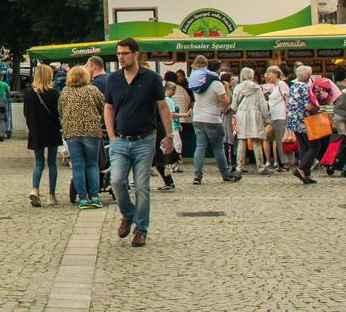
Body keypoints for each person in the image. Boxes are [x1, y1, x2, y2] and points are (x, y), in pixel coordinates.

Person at [103, 37, 175, 246]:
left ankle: (141, 229)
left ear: (136, 55)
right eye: (118, 54)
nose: (121, 57)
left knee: (142, 186)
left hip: (145, 139)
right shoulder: (113, 79)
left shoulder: (151, 78)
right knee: (117, 181)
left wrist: (168, 136)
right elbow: (109, 108)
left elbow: (163, 107)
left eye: (124, 53)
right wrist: (112, 136)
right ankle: (128, 213)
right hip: (120, 140)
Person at [59, 65, 107, 209]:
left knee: (78, 166)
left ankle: (82, 198)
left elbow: (60, 111)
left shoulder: (65, 92)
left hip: (72, 132)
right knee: (92, 164)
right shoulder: (93, 90)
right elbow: (103, 107)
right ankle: (95, 196)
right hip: (91, 131)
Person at [188, 61, 235, 184]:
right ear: (217, 70)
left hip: (198, 118)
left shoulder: (198, 82)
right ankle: (226, 174)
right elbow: (225, 104)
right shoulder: (216, 84)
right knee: (218, 148)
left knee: (200, 147)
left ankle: (197, 175)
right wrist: (226, 88)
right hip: (212, 119)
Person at [24, 63, 62, 206]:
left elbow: (26, 113)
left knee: (39, 163)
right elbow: (58, 113)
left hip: (36, 130)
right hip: (52, 130)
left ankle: (35, 189)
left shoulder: (29, 93)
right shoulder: (54, 93)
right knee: (52, 163)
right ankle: (51, 195)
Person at [231, 67, 268, 174]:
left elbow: (233, 106)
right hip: (255, 114)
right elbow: (263, 105)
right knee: (256, 141)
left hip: (242, 114)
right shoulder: (256, 88)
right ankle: (261, 167)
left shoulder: (238, 88)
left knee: (242, 141)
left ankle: (239, 166)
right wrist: (266, 118)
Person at [263, 66, 289, 172]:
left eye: (270, 74)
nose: (268, 76)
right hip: (275, 115)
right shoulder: (275, 86)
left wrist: (287, 112)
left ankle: (286, 164)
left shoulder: (282, 84)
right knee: (278, 140)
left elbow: (287, 98)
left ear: (276, 75)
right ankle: (283, 163)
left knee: (281, 140)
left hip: (281, 115)